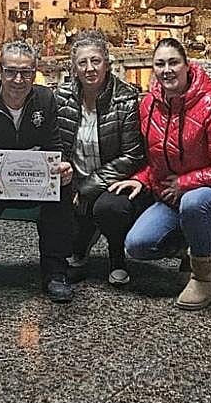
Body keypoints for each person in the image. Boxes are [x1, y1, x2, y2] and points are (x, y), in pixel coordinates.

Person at [110, 38, 211, 310]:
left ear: (187, 65)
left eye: (173, 62)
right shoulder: (148, 106)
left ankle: (203, 279)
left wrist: (185, 183)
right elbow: (155, 160)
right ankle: (193, 245)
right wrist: (140, 179)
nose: (167, 70)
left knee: (194, 203)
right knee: (137, 246)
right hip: (174, 195)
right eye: (160, 64)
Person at [0, 41, 75, 302]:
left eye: (26, 72)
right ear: (0, 72)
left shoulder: (46, 100)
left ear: (35, 72)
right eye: (11, 71)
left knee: (63, 188)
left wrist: (63, 167)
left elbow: (55, 148)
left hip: (36, 185)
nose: (18, 80)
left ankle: (55, 272)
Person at [54, 30, 146, 286]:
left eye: (95, 61)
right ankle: (77, 250)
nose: (89, 68)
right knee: (58, 212)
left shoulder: (126, 98)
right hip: (74, 178)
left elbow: (132, 156)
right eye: (82, 62)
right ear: (74, 68)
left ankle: (117, 258)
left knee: (110, 208)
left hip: (112, 181)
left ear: (107, 63)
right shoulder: (61, 97)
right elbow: (57, 143)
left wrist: (89, 187)